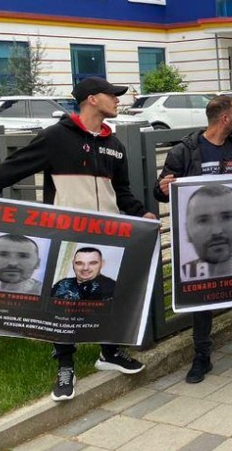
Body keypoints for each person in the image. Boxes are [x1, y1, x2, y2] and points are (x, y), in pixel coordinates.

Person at [0, 76, 152, 402]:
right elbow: (11, 169)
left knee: (107, 295)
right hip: (67, 236)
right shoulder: (56, 137)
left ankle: (109, 353)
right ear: (92, 99)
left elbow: (121, 192)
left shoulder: (115, 145)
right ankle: (65, 366)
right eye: (112, 95)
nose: (118, 100)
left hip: (109, 238)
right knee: (64, 302)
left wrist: (142, 213)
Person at [154, 95, 232, 384]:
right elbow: (162, 191)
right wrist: (163, 187)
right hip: (202, 250)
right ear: (225, 119)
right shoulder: (184, 151)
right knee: (200, 298)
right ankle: (201, 356)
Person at [180, 185, 232, 281]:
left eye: (227, 217)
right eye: (203, 221)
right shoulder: (181, 276)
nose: (217, 231)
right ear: (187, 231)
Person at [51, 247, 116, 301]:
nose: (85, 268)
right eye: (79, 263)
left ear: (102, 264)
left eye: (92, 263)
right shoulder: (62, 284)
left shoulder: (113, 288)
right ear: (73, 264)